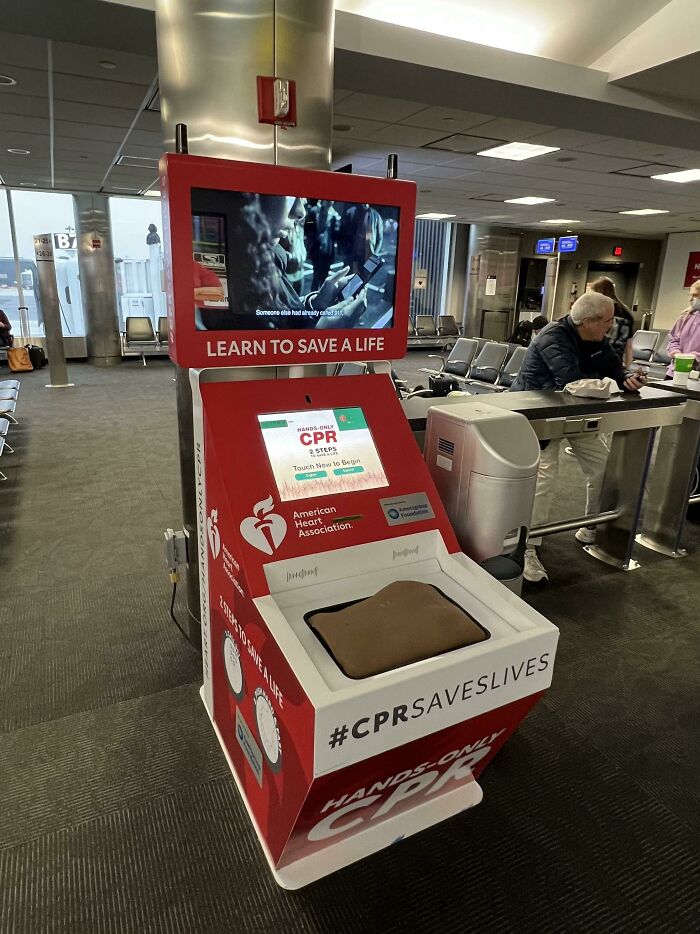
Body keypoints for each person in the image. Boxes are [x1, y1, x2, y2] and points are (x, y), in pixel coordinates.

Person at [511, 292, 646, 583]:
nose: (610, 327)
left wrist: (626, 378)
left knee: (604, 467)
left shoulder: (595, 339)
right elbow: (572, 382)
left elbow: (613, 366)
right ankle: (528, 548)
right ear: (589, 321)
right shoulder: (553, 337)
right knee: (544, 480)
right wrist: (608, 385)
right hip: (538, 417)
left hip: (574, 415)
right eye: (607, 321)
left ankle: (591, 526)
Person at [590, 276, 635, 365]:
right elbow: (629, 346)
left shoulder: (600, 309)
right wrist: (627, 368)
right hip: (617, 361)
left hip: (597, 359)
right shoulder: (626, 312)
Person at [665, 279, 700, 377]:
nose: (691, 299)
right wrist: (677, 354)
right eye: (690, 295)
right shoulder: (685, 316)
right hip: (675, 371)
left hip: (696, 373)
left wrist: (694, 357)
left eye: (695, 295)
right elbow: (673, 339)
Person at [305, 200, 341, 290]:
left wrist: (337, 224)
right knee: (316, 275)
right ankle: (312, 296)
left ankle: (322, 295)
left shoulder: (334, 215)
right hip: (316, 249)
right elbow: (307, 227)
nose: (330, 203)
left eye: (332, 202)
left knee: (324, 276)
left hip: (327, 251)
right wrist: (315, 236)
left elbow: (336, 235)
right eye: (328, 201)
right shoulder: (313, 212)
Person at [340, 202, 383, 273]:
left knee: (363, 278)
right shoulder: (351, 212)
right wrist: (345, 251)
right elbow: (342, 233)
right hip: (352, 253)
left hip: (368, 254)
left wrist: (374, 253)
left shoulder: (376, 215)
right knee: (349, 277)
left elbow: (379, 238)